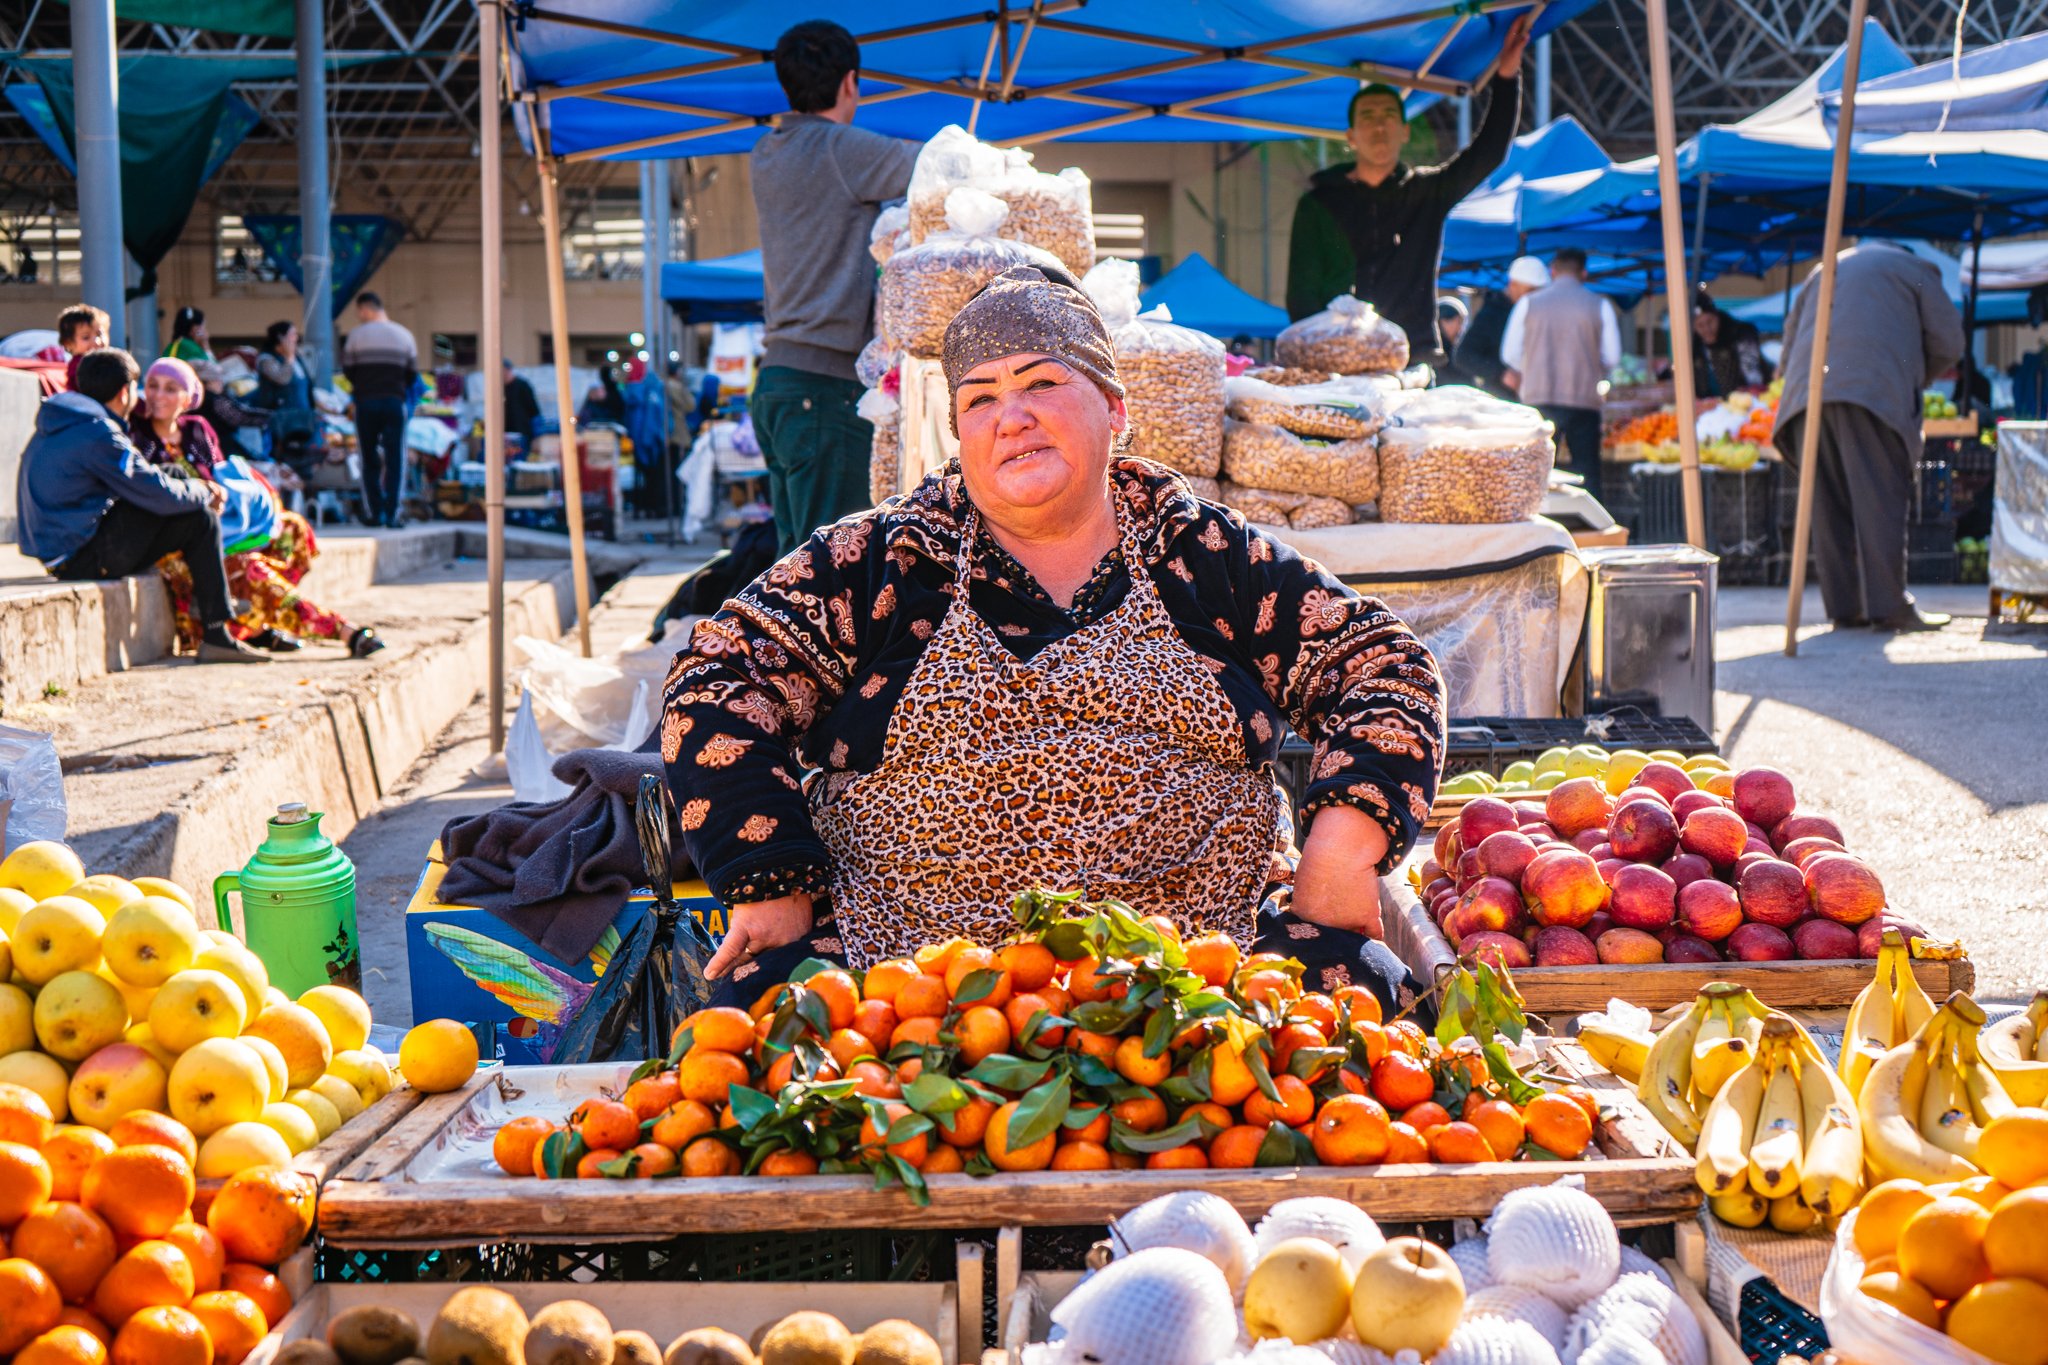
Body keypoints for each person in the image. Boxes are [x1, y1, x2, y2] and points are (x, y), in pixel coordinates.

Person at [660, 264, 1447, 1014]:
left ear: (1115, 409)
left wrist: (1341, 851)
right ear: (956, 430)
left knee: (1364, 993)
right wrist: (768, 879)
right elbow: (717, 678)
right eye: (980, 399)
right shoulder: (890, 560)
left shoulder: (1199, 552)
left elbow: (1385, 668)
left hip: (1208, 976)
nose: (1012, 416)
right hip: (902, 982)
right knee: (756, 1022)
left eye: (1041, 383)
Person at [750, 20, 921, 551]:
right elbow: (941, 170)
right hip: (823, 389)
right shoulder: (840, 149)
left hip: (778, 382)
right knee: (834, 571)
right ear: (851, 81)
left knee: (790, 571)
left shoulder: (768, 152)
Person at [1284, 16, 1530, 365]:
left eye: (1388, 116)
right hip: (1336, 362)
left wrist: (1507, 77)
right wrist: (1323, 352)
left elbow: (1487, 153)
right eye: (1367, 117)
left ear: (1404, 131)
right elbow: (1301, 296)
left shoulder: (1426, 192)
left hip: (1413, 358)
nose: (1379, 126)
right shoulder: (1318, 204)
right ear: (1351, 137)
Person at [17, 349, 268, 664]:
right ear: (124, 393)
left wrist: (190, 488)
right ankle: (216, 629)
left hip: (61, 548)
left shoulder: (65, 420)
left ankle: (207, 597)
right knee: (199, 517)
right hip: (77, 557)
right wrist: (203, 490)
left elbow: (151, 481)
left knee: (175, 475)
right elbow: (159, 495)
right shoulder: (99, 434)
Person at [129, 358, 383, 659]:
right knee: (249, 568)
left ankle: (255, 621)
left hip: (221, 524)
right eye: (153, 386)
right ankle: (342, 631)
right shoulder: (138, 432)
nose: (158, 395)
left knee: (293, 530)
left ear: (187, 398)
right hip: (181, 538)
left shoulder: (196, 429)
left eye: (171, 389)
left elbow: (215, 476)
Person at [1775, 241, 1965, 632]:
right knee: (1880, 497)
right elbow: (1950, 342)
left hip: (1804, 394)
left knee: (1828, 502)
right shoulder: (1915, 268)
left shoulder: (1822, 269)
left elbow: (1790, 339)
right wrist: (1916, 375)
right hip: (1870, 390)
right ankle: (1889, 607)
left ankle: (1846, 607)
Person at [1501, 247, 1620, 504]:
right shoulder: (1599, 305)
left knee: (1535, 471)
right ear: (1584, 273)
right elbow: (1612, 357)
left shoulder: (1528, 304)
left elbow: (1510, 354)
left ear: (1552, 272)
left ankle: (1537, 526)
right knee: (1587, 473)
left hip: (1538, 399)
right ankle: (1593, 531)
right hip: (1583, 401)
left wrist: (1533, 367)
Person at [341, 291, 418, 527]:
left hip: (366, 403)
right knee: (396, 458)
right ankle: (393, 513)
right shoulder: (404, 335)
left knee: (369, 458)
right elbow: (411, 373)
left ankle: (375, 513)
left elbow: (349, 371)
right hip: (394, 402)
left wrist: (366, 385)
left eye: (359, 311)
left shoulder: (356, 336)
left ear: (365, 308)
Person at [1456, 257, 1546, 396]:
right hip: (1500, 398)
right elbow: (1463, 356)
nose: (1535, 296)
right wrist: (1501, 373)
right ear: (1513, 285)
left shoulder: (1535, 313)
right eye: (1530, 290)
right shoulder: (1491, 314)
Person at [1691, 290, 1771, 396]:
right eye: (1700, 325)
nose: (1707, 329)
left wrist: (1748, 391)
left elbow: (1752, 374)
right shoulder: (1693, 345)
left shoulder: (1741, 334)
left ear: (1717, 317)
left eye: (1710, 321)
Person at [56, 303, 110, 391]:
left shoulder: (106, 360)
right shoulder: (79, 365)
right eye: (86, 337)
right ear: (68, 343)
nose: (96, 341)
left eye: (99, 334)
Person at [1432, 297, 1473, 385]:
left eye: (1462, 323)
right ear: (1442, 321)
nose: (1460, 328)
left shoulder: (1459, 352)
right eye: (1458, 322)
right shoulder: (1432, 351)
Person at [503, 358, 542, 451]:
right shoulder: (500, 387)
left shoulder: (522, 385)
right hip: (506, 433)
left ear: (508, 370)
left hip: (521, 432)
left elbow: (534, 409)